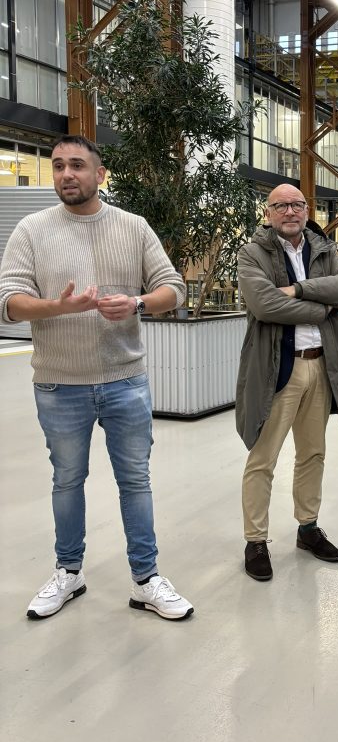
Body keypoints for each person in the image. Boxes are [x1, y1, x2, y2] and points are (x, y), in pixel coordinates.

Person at [0, 135, 193, 621]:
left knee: (136, 480)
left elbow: (174, 288)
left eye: (77, 165)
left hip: (125, 381)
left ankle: (146, 579)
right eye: (58, 166)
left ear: (100, 175)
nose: (66, 174)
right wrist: (57, 307)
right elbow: (8, 303)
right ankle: (69, 571)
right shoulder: (31, 230)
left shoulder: (133, 226)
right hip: (59, 383)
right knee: (67, 480)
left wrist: (137, 303)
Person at [236, 183, 338, 582]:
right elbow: (264, 304)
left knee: (313, 453)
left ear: (306, 210)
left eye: (297, 205)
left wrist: (299, 289)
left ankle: (308, 527)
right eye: (281, 205)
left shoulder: (323, 248)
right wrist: (323, 308)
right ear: (268, 212)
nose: (290, 211)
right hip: (278, 369)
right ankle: (256, 540)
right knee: (263, 458)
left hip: (321, 366)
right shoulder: (253, 253)